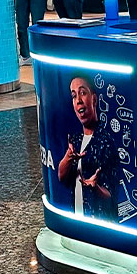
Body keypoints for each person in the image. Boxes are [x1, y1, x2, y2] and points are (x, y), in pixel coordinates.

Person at [58, 75, 119, 221]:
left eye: (83, 93)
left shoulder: (106, 142)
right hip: (78, 220)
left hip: (100, 226)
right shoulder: (75, 140)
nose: (78, 100)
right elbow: (62, 177)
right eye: (74, 96)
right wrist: (68, 158)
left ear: (94, 99)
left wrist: (95, 187)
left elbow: (112, 197)